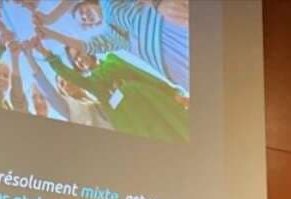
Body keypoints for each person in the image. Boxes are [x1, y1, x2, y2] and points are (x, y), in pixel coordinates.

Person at [34, 39, 189, 142]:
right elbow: (66, 73)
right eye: (75, 60)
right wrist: (46, 54)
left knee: (178, 130)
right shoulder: (91, 82)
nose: (79, 59)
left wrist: (172, 93)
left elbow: (141, 75)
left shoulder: (112, 59)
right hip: (130, 119)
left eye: (79, 53)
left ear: (88, 49)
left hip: (150, 101)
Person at [35, 0, 189, 94]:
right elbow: (86, 46)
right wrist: (51, 34)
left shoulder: (109, 3)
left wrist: (50, 18)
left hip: (170, 32)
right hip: (174, 68)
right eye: (84, 20)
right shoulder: (111, 37)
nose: (85, 16)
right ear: (94, 24)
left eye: (82, 11)